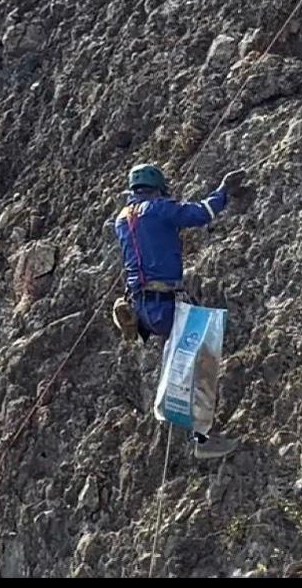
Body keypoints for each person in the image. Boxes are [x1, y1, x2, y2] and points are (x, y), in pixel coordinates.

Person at [108, 162, 246, 459]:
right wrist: (223, 190)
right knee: (201, 358)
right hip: (165, 302)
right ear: (158, 187)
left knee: (181, 359)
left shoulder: (122, 218)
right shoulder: (157, 208)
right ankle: (202, 439)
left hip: (142, 304)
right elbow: (199, 214)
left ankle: (134, 324)